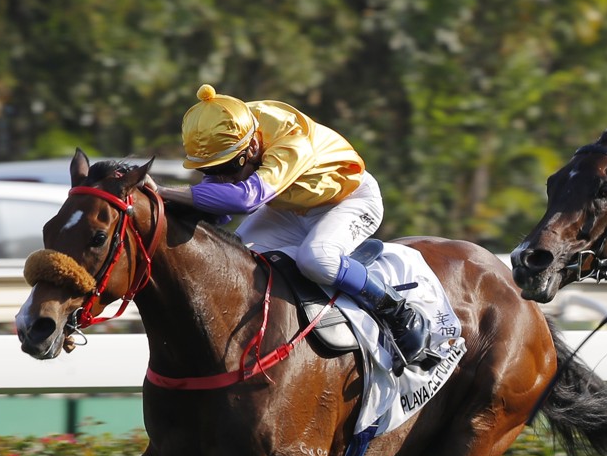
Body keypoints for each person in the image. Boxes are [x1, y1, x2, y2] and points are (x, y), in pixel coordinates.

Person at [154, 84, 435, 373]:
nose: (220, 178)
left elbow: (246, 199)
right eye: (210, 171)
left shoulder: (289, 140)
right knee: (235, 259)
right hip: (289, 208)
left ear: (251, 147)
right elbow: (222, 202)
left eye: (226, 168)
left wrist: (163, 192)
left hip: (347, 200)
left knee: (316, 260)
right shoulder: (226, 126)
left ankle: (397, 312)